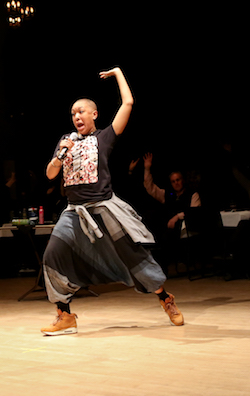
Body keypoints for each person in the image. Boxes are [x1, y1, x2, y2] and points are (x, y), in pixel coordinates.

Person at [40, 67, 183, 336]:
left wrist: (118, 73)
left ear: (94, 114)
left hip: (103, 208)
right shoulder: (65, 141)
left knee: (134, 255)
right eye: (72, 113)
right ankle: (65, 315)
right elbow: (50, 173)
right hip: (74, 212)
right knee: (52, 254)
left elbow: (128, 103)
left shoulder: (104, 138)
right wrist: (60, 155)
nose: (76, 117)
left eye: (81, 111)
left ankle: (166, 299)